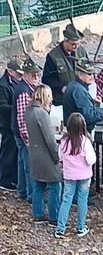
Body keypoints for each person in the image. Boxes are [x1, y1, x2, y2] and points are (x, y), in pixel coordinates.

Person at [55, 113, 96, 238]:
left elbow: (60, 157)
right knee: (82, 200)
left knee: (66, 199)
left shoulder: (63, 142)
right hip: (84, 175)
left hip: (69, 175)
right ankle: (80, 227)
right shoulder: (85, 142)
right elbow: (91, 159)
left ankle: (60, 228)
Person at [25, 84, 62, 225]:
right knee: (55, 185)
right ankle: (54, 216)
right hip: (45, 155)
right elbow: (50, 139)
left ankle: (38, 213)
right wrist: (57, 156)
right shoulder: (41, 113)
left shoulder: (28, 111)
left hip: (34, 153)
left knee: (38, 185)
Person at [11, 58, 42, 202]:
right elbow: (23, 119)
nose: (36, 77)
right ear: (26, 75)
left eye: (37, 74)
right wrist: (28, 140)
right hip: (23, 134)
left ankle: (22, 191)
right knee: (29, 165)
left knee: (22, 162)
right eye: (33, 75)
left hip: (18, 132)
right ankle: (31, 195)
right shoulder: (24, 92)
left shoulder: (25, 87)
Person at [62, 58, 103, 135]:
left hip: (75, 131)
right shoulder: (79, 90)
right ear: (80, 75)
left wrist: (91, 102)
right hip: (79, 133)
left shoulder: (74, 86)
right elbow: (88, 116)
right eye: (89, 74)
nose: (92, 77)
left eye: (93, 74)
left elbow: (79, 106)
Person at [42, 23, 87, 106]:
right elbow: (46, 79)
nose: (76, 47)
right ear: (65, 41)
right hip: (61, 100)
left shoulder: (82, 51)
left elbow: (88, 69)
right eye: (73, 44)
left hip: (80, 97)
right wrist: (61, 88)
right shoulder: (53, 56)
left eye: (78, 43)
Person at [0, 59, 24, 191]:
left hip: (13, 121)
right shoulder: (3, 86)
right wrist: (17, 107)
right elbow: (2, 106)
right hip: (6, 123)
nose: (20, 77)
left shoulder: (14, 82)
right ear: (10, 71)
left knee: (14, 150)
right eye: (18, 74)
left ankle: (13, 176)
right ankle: (4, 179)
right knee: (8, 150)